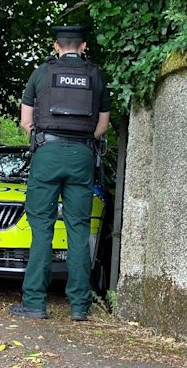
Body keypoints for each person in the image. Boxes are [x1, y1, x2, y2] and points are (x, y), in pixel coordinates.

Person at [10, 26, 111, 321]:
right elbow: (102, 126)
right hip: (81, 155)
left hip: (47, 154)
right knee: (78, 229)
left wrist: (46, 140)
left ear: (56, 46)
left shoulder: (41, 73)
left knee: (41, 227)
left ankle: (34, 304)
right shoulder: (96, 76)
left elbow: (26, 121)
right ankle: (80, 308)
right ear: (83, 46)